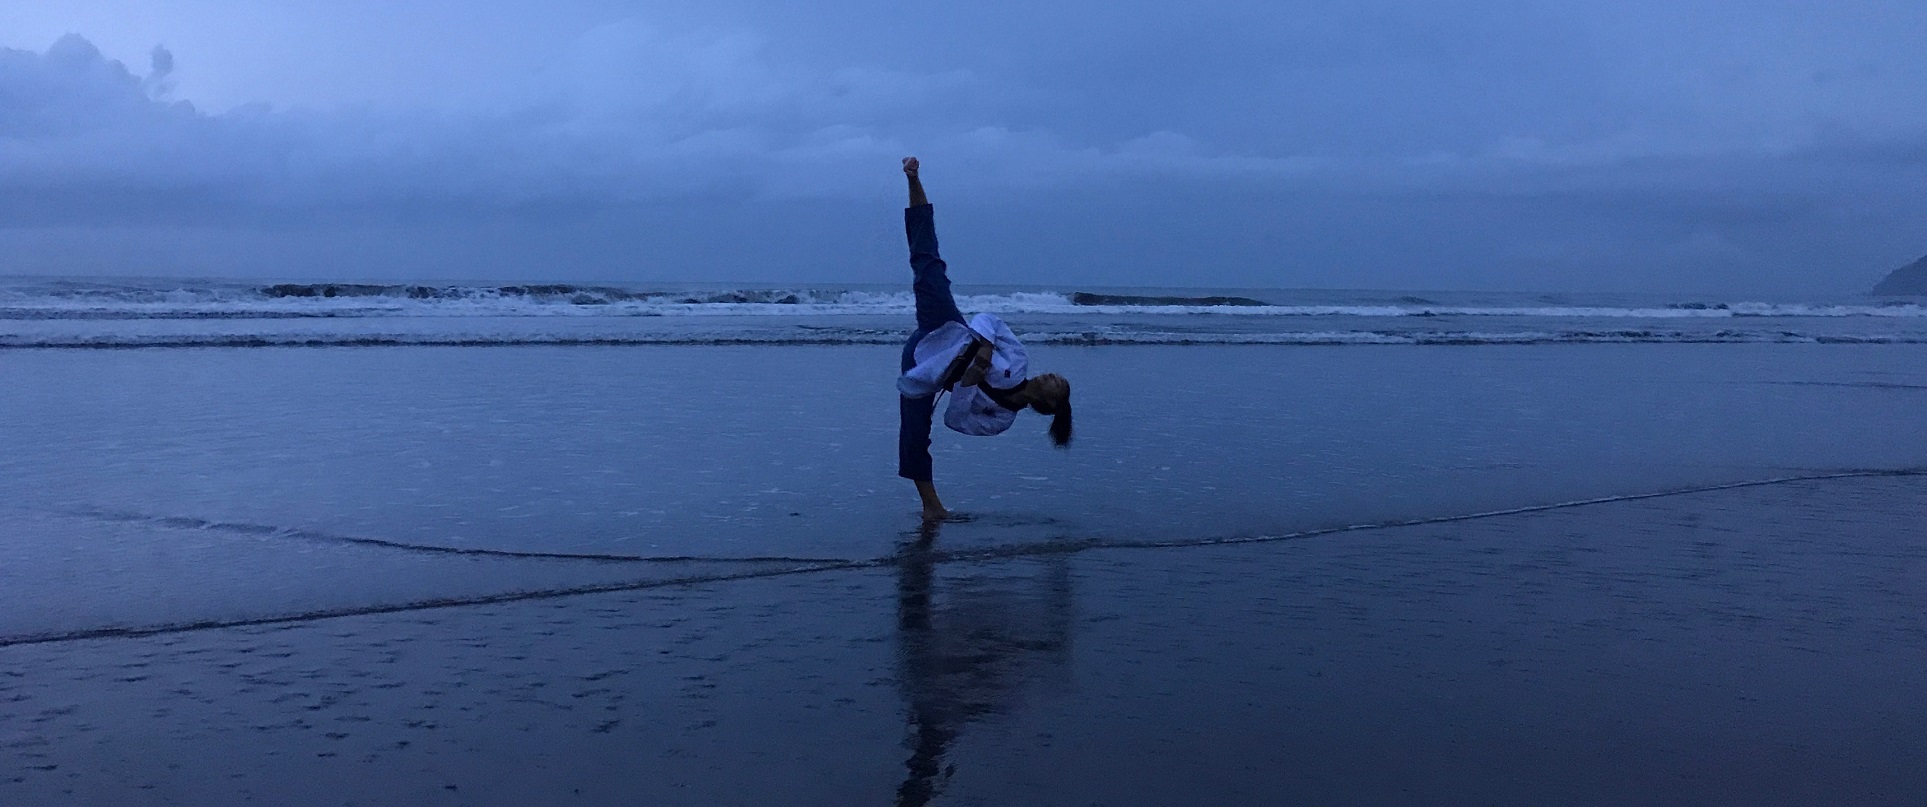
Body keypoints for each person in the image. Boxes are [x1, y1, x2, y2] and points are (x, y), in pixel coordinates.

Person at [896, 156, 1072, 521]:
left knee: (915, 436)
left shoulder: (1000, 420)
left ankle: (932, 508)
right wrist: (986, 350)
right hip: (945, 329)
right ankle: (913, 180)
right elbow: (989, 319)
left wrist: (967, 383)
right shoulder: (1019, 362)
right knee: (928, 263)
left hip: (925, 373)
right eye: (1056, 375)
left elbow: (955, 421)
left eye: (1058, 385)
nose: (1052, 376)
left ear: (1049, 405)